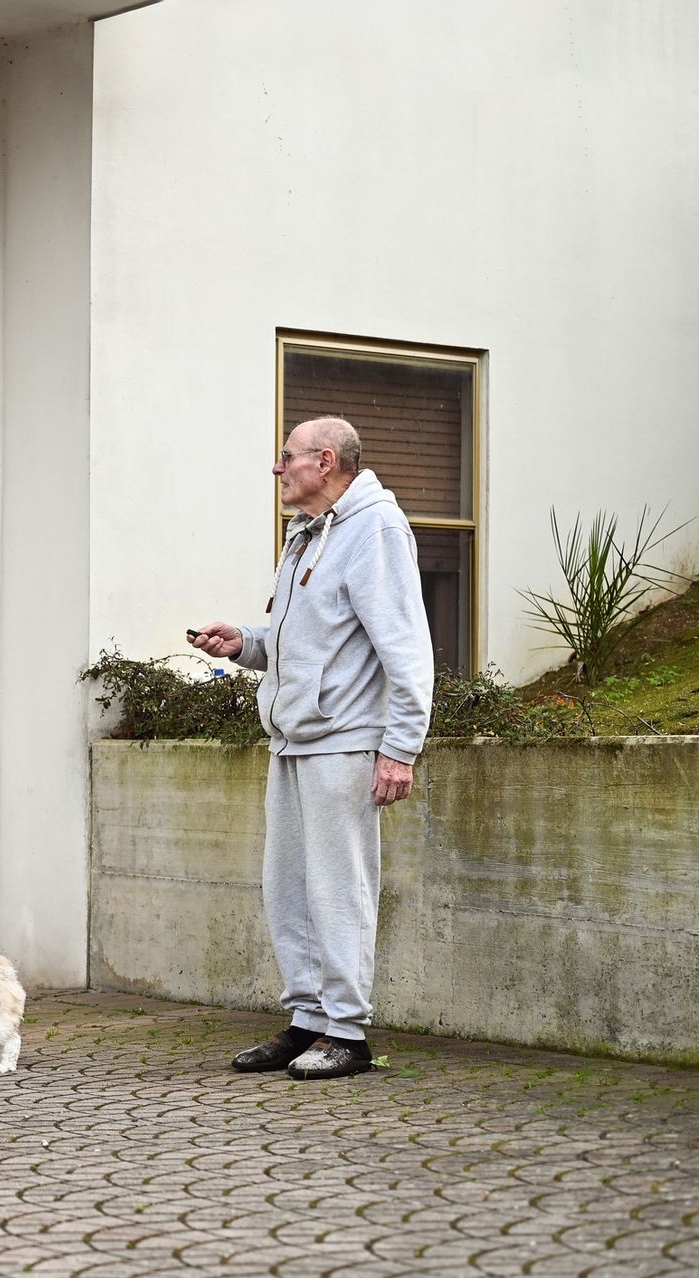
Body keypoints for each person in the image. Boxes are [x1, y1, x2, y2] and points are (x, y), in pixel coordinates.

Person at [189, 415, 433, 1081]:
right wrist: (243, 642)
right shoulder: (304, 536)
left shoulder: (375, 529)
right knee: (290, 891)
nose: (279, 468)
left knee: (339, 892)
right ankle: (308, 1021)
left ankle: (348, 1034)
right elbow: (304, 643)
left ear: (324, 461)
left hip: (345, 744)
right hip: (294, 744)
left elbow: (406, 648)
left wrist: (400, 747)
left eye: (288, 457)